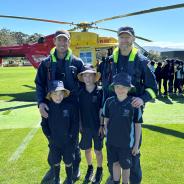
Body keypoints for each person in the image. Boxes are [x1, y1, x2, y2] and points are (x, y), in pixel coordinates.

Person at [101, 26, 157, 184]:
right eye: (121, 37)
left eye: (127, 37)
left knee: (132, 149)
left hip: (131, 115)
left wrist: (143, 99)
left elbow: (153, 89)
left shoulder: (142, 61)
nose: (124, 40)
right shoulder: (110, 60)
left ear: (134, 39)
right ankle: (114, 177)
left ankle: (134, 180)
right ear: (118, 39)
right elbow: (106, 86)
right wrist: (102, 108)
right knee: (111, 146)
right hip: (112, 111)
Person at [35, 30, 84, 183]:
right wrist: (41, 103)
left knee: (73, 140)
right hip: (52, 106)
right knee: (52, 139)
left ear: (69, 42)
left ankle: (75, 167)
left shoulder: (77, 62)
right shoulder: (46, 63)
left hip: (72, 108)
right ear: (54, 42)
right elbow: (39, 84)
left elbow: (84, 84)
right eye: (59, 40)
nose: (62, 43)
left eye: (65, 40)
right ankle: (53, 167)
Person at [103, 72, 142, 184]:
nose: (120, 89)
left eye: (124, 87)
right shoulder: (109, 102)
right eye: (117, 87)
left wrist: (136, 145)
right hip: (111, 142)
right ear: (114, 88)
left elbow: (137, 126)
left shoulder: (134, 103)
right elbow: (106, 121)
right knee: (115, 163)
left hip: (126, 143)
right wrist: (107, 134)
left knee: (125, 167)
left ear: (129, 88)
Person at [41, 80, 77, 184]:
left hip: (68, 143)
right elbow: (44, 125)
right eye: (55, 94)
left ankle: (69, 178)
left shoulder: (69, 107)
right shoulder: (47, 108)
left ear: (64, 94)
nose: (58, 96)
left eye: (61, 94)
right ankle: (57, 178)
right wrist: (49, 136)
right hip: (54, 143)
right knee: (55, 161)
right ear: (50, 95)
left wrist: (71, 137)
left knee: (68, 161)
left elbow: (74, 124)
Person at [77, 64, 104, 183]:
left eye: (90, 75)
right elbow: (78, 110)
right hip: (85, 128)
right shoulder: (80, 92)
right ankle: (90, 168)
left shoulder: (100, 91)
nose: (87, 78)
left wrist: (102, 126)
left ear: (95, 77)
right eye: (85, 76)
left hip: (97, 128)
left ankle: (99, 169)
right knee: (87, 150)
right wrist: (80, 125)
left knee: (98, 151)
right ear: (82, 77)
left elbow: (102, 110)